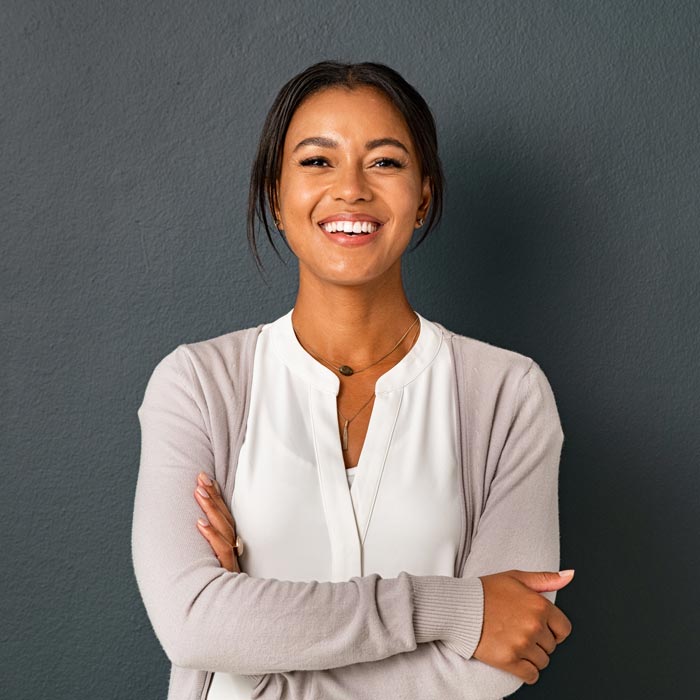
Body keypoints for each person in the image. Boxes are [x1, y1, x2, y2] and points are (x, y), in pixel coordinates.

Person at [132, 60, 573, 700]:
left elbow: (491, 667)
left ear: (422, 196)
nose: (351, 190)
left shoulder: (507, 396)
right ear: (274, 195)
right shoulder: (198, 386)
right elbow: (192, 623)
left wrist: (251, 664)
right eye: (317, 161)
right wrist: (450, 609)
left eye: (385, 162)